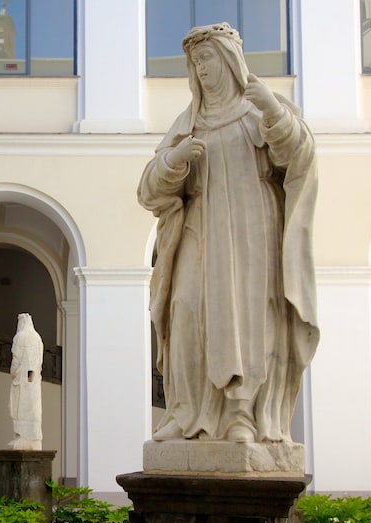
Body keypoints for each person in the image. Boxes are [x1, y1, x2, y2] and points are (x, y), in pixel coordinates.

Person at [139, 22, 319, 444]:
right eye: (195, 62)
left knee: (248, 316)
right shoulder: (189, 124)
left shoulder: (262, 109)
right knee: (185, 309)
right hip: (200, 231)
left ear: (229, 61)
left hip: (252, 228)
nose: (201, 69)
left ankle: (242, 415)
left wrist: (274, 112)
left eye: (208, 59)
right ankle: (185, 414)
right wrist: (174, 161)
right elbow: (149, 191)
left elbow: (299, 158)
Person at [7, 313, 43, 450]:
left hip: (22, 381)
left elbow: (15, 362)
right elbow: (40, 363)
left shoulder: (19, 337)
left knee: (19, 409)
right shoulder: (37, 339)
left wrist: (13, 372)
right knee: (33, 410)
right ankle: (33, 438)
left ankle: (22, 437)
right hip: (34, 383)